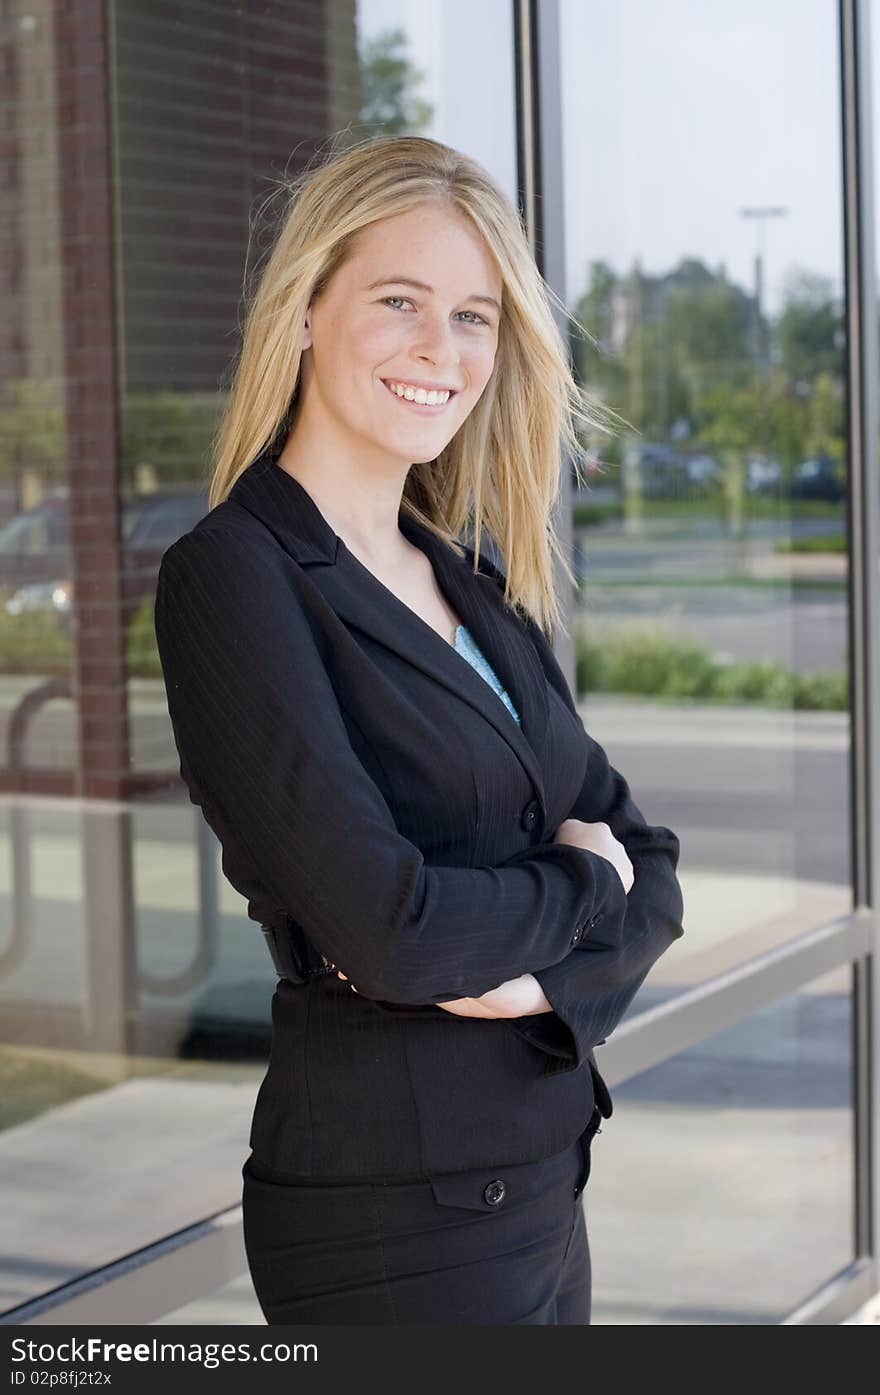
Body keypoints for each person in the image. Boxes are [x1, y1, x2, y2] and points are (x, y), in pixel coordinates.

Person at [153, 134, 685, 1326]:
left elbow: (650, 869)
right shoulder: (238, 578)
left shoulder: (468, 576)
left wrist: (526, 969)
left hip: (545, 1177)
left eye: (474, 316)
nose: (441, 352)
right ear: (304, 310)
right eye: (400, 302)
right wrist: (574, 888)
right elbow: (391, 930)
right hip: (391, 1218)